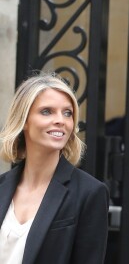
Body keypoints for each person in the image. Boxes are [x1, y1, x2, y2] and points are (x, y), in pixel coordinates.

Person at [0, 73, 109, 263]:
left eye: (67, 113)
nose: (61, 120)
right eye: (46, 111)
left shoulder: (90, 193)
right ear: (24, 120)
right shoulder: (2, 187)